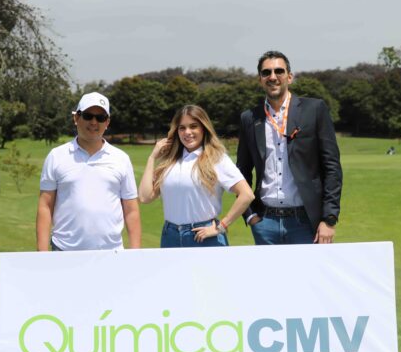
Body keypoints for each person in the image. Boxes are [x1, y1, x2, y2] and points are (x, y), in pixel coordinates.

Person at [237, 50, 342, 245]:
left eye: (279, 71)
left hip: (306, 222)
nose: (273, 77)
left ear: (290, 77)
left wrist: (329, 218)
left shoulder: (314, 110)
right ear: (260, 79)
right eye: (266, 72)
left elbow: (332, 167)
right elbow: (242, 171)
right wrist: (250, 215)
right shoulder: (249, 118)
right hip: (264, 223)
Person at [36, 92, 141, 251]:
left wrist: (135, 253)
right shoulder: (56, 156)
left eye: (100, 118)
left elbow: (131, 210)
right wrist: (42, 254)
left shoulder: (121, 159)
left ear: (107, 122)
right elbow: (45, 205)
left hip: (112, 253)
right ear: (76, 118)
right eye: (88, 116)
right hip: (64, 251)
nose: (93, 122)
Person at [139, 105, 254, 248]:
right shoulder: (169, 162)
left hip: (204, 237)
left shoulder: (217, 159)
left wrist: (221, 226)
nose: (187, 132)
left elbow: (247, 194)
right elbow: (145, 197)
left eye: (193, 126)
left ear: (203, 128)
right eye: (182, 128)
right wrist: (152, 158)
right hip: (170, 236)